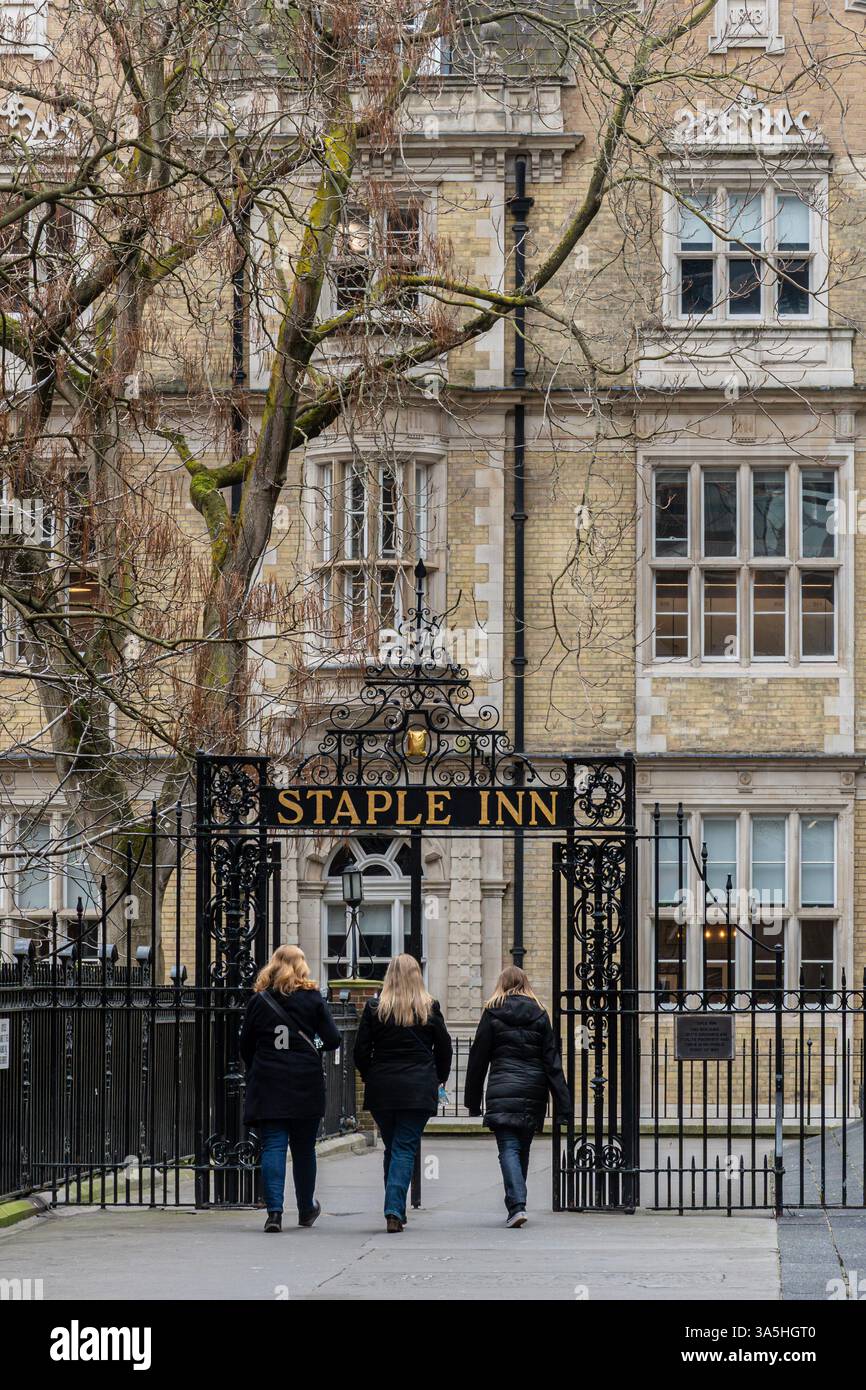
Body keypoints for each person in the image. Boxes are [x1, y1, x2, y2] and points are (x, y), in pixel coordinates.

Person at [240, 944, 342, 1233]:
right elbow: (332, 1039)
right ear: (301, 967)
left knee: (273, 1145)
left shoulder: (259, 1001)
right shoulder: (312, 999)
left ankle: (274, 1212)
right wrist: (314, 1047)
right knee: (303, 1148)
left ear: (273, 965)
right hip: (304, 1080)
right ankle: (306, 1208)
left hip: (268, 1080)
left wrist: (259, 1064)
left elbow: (245, 1045)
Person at [464, 965, 572, 1228]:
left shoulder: (492, 1012)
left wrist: (472, 1100)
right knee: (522, 1147)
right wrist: (563, 1105)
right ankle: (517, 1203)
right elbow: (552, 1062)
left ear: (501, 983)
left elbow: (478, 1059)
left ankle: (517, 1204)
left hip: (503, 1087)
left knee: (508, 1148)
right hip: (533, 1089)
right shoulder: (540, 1014)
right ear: (525, 984)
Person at [354, 954, 452, 1232]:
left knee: (393, 1146)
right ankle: (394, 1209)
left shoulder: (375, 1008)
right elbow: (444, 1049)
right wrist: (438, 1079)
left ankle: (394, 1206)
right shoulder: (429, 1008)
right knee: (404, 1147)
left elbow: (360, 1051)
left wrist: (370, 1074)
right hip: (418, 1088)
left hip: (383, 1088)